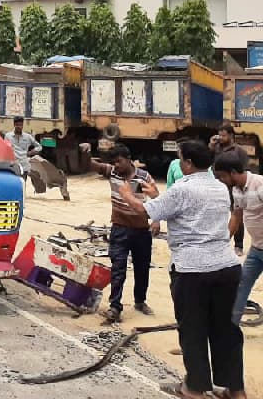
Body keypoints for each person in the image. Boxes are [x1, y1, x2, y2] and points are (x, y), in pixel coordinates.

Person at [118, 140, 244, 399]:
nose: (178, 163)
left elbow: (144, 212)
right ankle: (235, 389)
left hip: (192, 270)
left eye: (179, 158)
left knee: (193, 330)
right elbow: (181, 209)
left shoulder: (181, 188)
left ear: (187, 163)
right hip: (226, 266)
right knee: (226, 330)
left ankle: (194, 388)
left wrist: (128, 195)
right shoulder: (220, 187)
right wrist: (156, 195)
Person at [90, 144, 157, 323]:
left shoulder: (144, 177)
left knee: (142, 268)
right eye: (113, 163)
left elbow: (157, 198)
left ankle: (140, 301)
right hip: (120, 228)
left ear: (128, 159)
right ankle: (115, 306)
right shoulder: (112, 173)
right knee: (118, 268)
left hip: (142, 230)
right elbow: (90, 165)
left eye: (119, 161)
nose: (116, 166)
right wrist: (85, 153)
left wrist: (156, 220)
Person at [213, 151, 263, 327]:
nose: (221, 181)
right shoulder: (236, 190)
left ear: (233, 172)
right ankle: (231, 328)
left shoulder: (260, 185)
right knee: (241, 285)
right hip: (257, 250)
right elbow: (236, 215)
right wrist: (223, 240)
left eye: (222, 176)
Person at [211, 124, 248, 255]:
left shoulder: (239, 151)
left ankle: (238, 245)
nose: (220, 138)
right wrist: (210, 146)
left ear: (231, 136)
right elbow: (205, 161)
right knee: (217, 213)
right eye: (219, 135)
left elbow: (242, 170)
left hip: (234, 187)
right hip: (218, 186)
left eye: (223, 135)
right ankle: (218, 243)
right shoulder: (216, 148)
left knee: (237, 214)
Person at [4, 117, 42, 183]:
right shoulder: (8, 136)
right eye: (17, 125)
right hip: (13, 166)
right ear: (14, 125)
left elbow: (39, 147)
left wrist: (30, 152)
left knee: (22, 185)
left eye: (21, 125)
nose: (19, 127)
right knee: (13, 185)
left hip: (24, 166)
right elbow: (5, 149)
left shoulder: (28, 137)